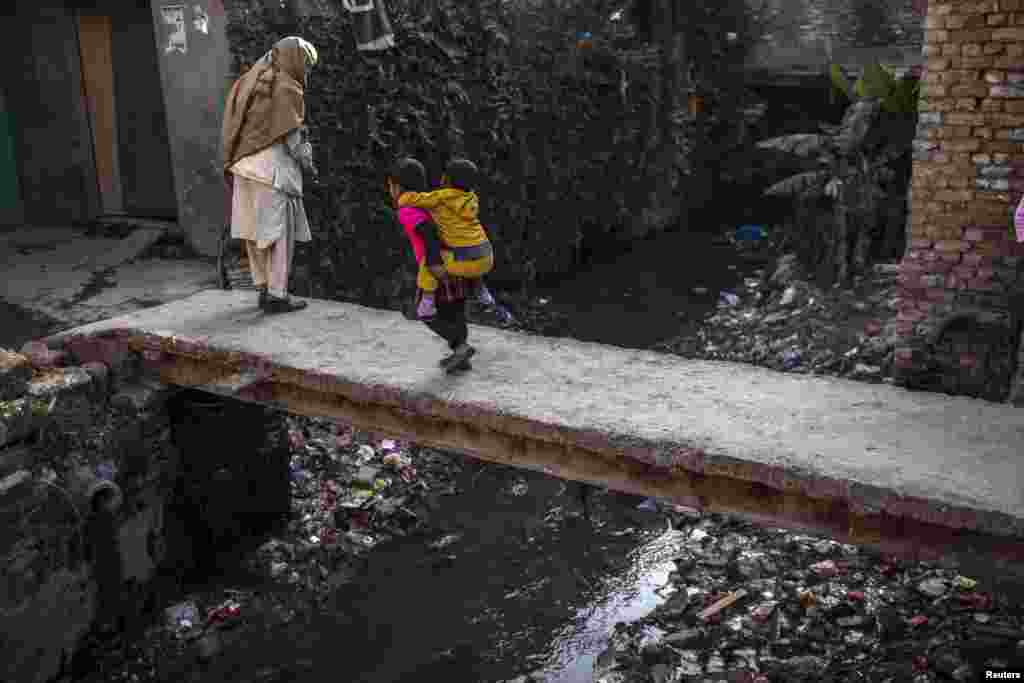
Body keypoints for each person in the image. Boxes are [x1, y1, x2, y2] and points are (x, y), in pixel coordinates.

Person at [222, 35, 318, 314]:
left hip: (244, 168)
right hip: (270, 172)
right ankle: (277, 295)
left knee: (254, 234)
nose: (307, 71)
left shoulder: (251, 81)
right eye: (307, 64)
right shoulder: (288, 87)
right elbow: (292, 137)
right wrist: (309, 163)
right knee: (278, 234)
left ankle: (263, 289)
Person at [388, 157, 476, 372]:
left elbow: (428, 233)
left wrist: (434, 263)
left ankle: (460, 347)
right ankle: (460, 355)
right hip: (459, 264)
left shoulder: (408, 210)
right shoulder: (432, 201)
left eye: (390, 186)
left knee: (424, 311)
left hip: (438, 268)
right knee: (455, 310)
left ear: (397, 187)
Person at [396, 158, 496, 320]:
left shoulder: (441, 197)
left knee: (428, 263)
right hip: (487, 256)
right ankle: (484, 296)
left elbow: (415, 199)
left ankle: (426, 306)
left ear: (446, 179)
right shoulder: (472, 198)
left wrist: (402, 198)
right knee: (471, 255)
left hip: (463, 260)